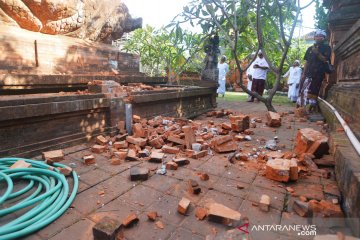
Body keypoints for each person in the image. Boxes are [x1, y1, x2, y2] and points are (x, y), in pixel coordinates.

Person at [297, 29, 331, 112]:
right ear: (314, 37)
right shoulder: (310, 49)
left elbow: (325, 60)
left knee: (314, 91)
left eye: (320, 36)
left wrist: (317, 53)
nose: (318, 37)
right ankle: (301, 108)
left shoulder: (327, 48)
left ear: (324, 38)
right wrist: (303, 74)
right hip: (309, 73)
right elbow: (307, 62)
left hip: (319, 73)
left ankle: (311, 109)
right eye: (317, 36)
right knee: (303, 89)